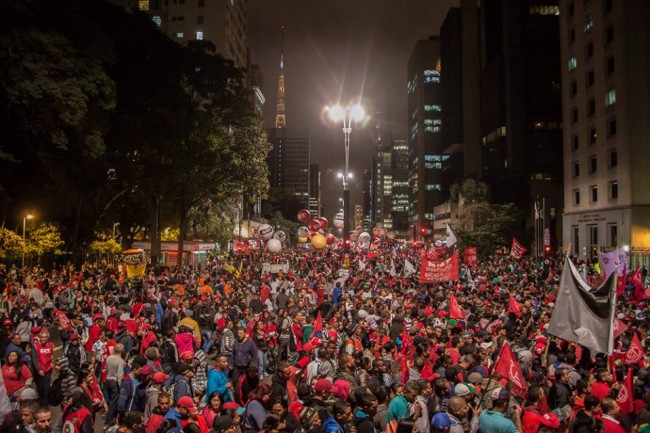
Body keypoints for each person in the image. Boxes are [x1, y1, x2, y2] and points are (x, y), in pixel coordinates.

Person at [105, 343, 125, 426]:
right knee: (114, 402)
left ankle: (109, 416)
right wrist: (121, 387)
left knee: (110, 401)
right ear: (122, 351)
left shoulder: (109, 358)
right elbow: (120, 376)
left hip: (108, 380)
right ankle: (109, 420)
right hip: (114, 382)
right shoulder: (120, 361)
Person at [31, 330, 54, 406]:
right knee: (40, 387)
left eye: (45, 337)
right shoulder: (35, 346)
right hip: (39, 370)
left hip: (48, 369)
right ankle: (41, 398)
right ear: (39, 338)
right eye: (42, 337)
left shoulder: (51, 345)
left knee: (46, 387)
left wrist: (52, 364)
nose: (43, 339)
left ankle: (45, 403)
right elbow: (34, 359)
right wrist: (38, 369)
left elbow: (51, 356)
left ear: (48, 338)